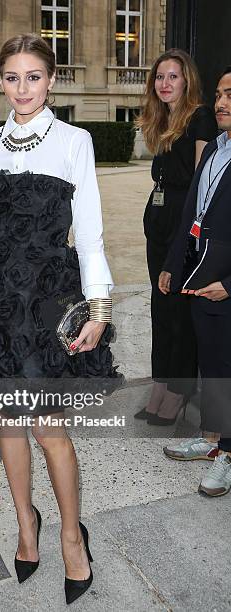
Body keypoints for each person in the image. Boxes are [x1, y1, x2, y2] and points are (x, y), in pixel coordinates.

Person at [0, 34, 122, 605]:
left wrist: (98, 309)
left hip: (45, 305)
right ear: (0, 81)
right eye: (13, 77)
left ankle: (70, 536)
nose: (23, 88)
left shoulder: (74, 142)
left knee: (49, 430)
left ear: (51, 80)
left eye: (34, 76)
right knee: (7, 422)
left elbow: (92, 236)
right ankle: (26, 525)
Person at [135, 49, 218, 425]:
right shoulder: (162, 120)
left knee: (178, 312)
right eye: (160, 77)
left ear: (187, 81)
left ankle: (179, 392)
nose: (165, 84)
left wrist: (188, 238)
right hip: (159, 225)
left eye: (173, 76)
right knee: (160, 308)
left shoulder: (200, 117)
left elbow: (203, 185)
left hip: (184, 225)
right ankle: (161, 384)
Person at [161, 66, 231, 496]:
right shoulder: (214, 150)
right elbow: (193, 212)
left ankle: (226, 454)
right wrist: (173, 263)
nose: (222, 103)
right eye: (221, 93)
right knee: (212, 364)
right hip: (202, 271)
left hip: (227, 280)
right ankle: (211, 440)